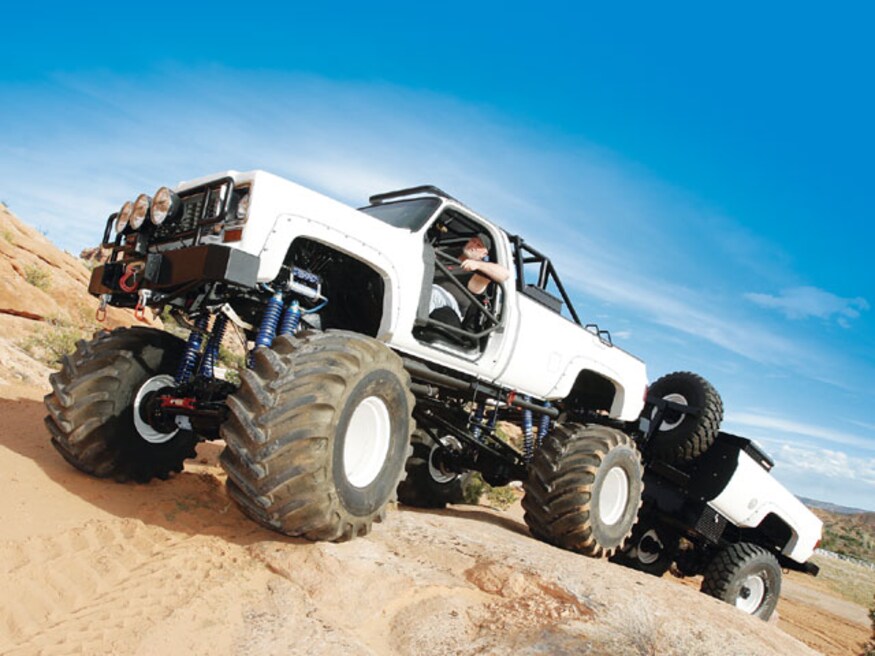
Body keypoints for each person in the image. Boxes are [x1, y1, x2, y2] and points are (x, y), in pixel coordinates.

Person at [429, 232, 509, 329]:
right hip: (425, 286)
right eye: (473, 241)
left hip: (449, 310)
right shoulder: (447, 254)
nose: (474, 245)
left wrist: (478, 265)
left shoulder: (478, 273)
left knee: (433, 292)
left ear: (484, 254)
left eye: (479, 245)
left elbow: (505, 274)